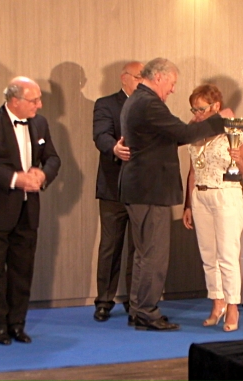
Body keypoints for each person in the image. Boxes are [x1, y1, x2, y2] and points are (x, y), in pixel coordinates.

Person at [119, 58, 234, 331]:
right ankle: (147, 312)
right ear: (159, 77)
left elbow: (174, 133)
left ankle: (138, 308)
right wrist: (219, 120)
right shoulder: (149, 103)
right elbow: (182, 133)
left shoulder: (136, 100)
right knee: (154, 255)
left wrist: (193, 124)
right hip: (149, 189)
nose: (172, 90)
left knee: (143, 253)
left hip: (139, 187)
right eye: (171, 83)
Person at [0, 76, 61, 345]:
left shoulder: (40, 124)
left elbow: (53, 158)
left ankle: (17, 323)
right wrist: (15, 179)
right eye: (34, 100)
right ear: (14, 100)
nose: (39, 105)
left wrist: (43, 176)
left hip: (28, 210)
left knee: (22, 270)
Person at [182, 84, 243, 332]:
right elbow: (191, 172)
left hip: (226, 195)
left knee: (227, 255)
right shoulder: (196, 135)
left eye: (201, 108)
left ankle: (233, 306)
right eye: (194, 109)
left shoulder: (234, 133)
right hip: (200, 195)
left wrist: (237, 158)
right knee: (208, 255)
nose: (197, 113)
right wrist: (188, 204)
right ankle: (217, 302)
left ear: (216, 107)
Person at [92, 61, 143, 322]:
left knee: (139, 248)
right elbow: (100, 135)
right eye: (138, 77)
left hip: (143, 190)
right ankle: (104, 300)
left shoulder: (150, 104)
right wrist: (114, 148)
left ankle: (136, 301)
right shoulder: (105, 104)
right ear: (125, 78)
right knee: (110, 246)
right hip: (113, 188)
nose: (142, 81)